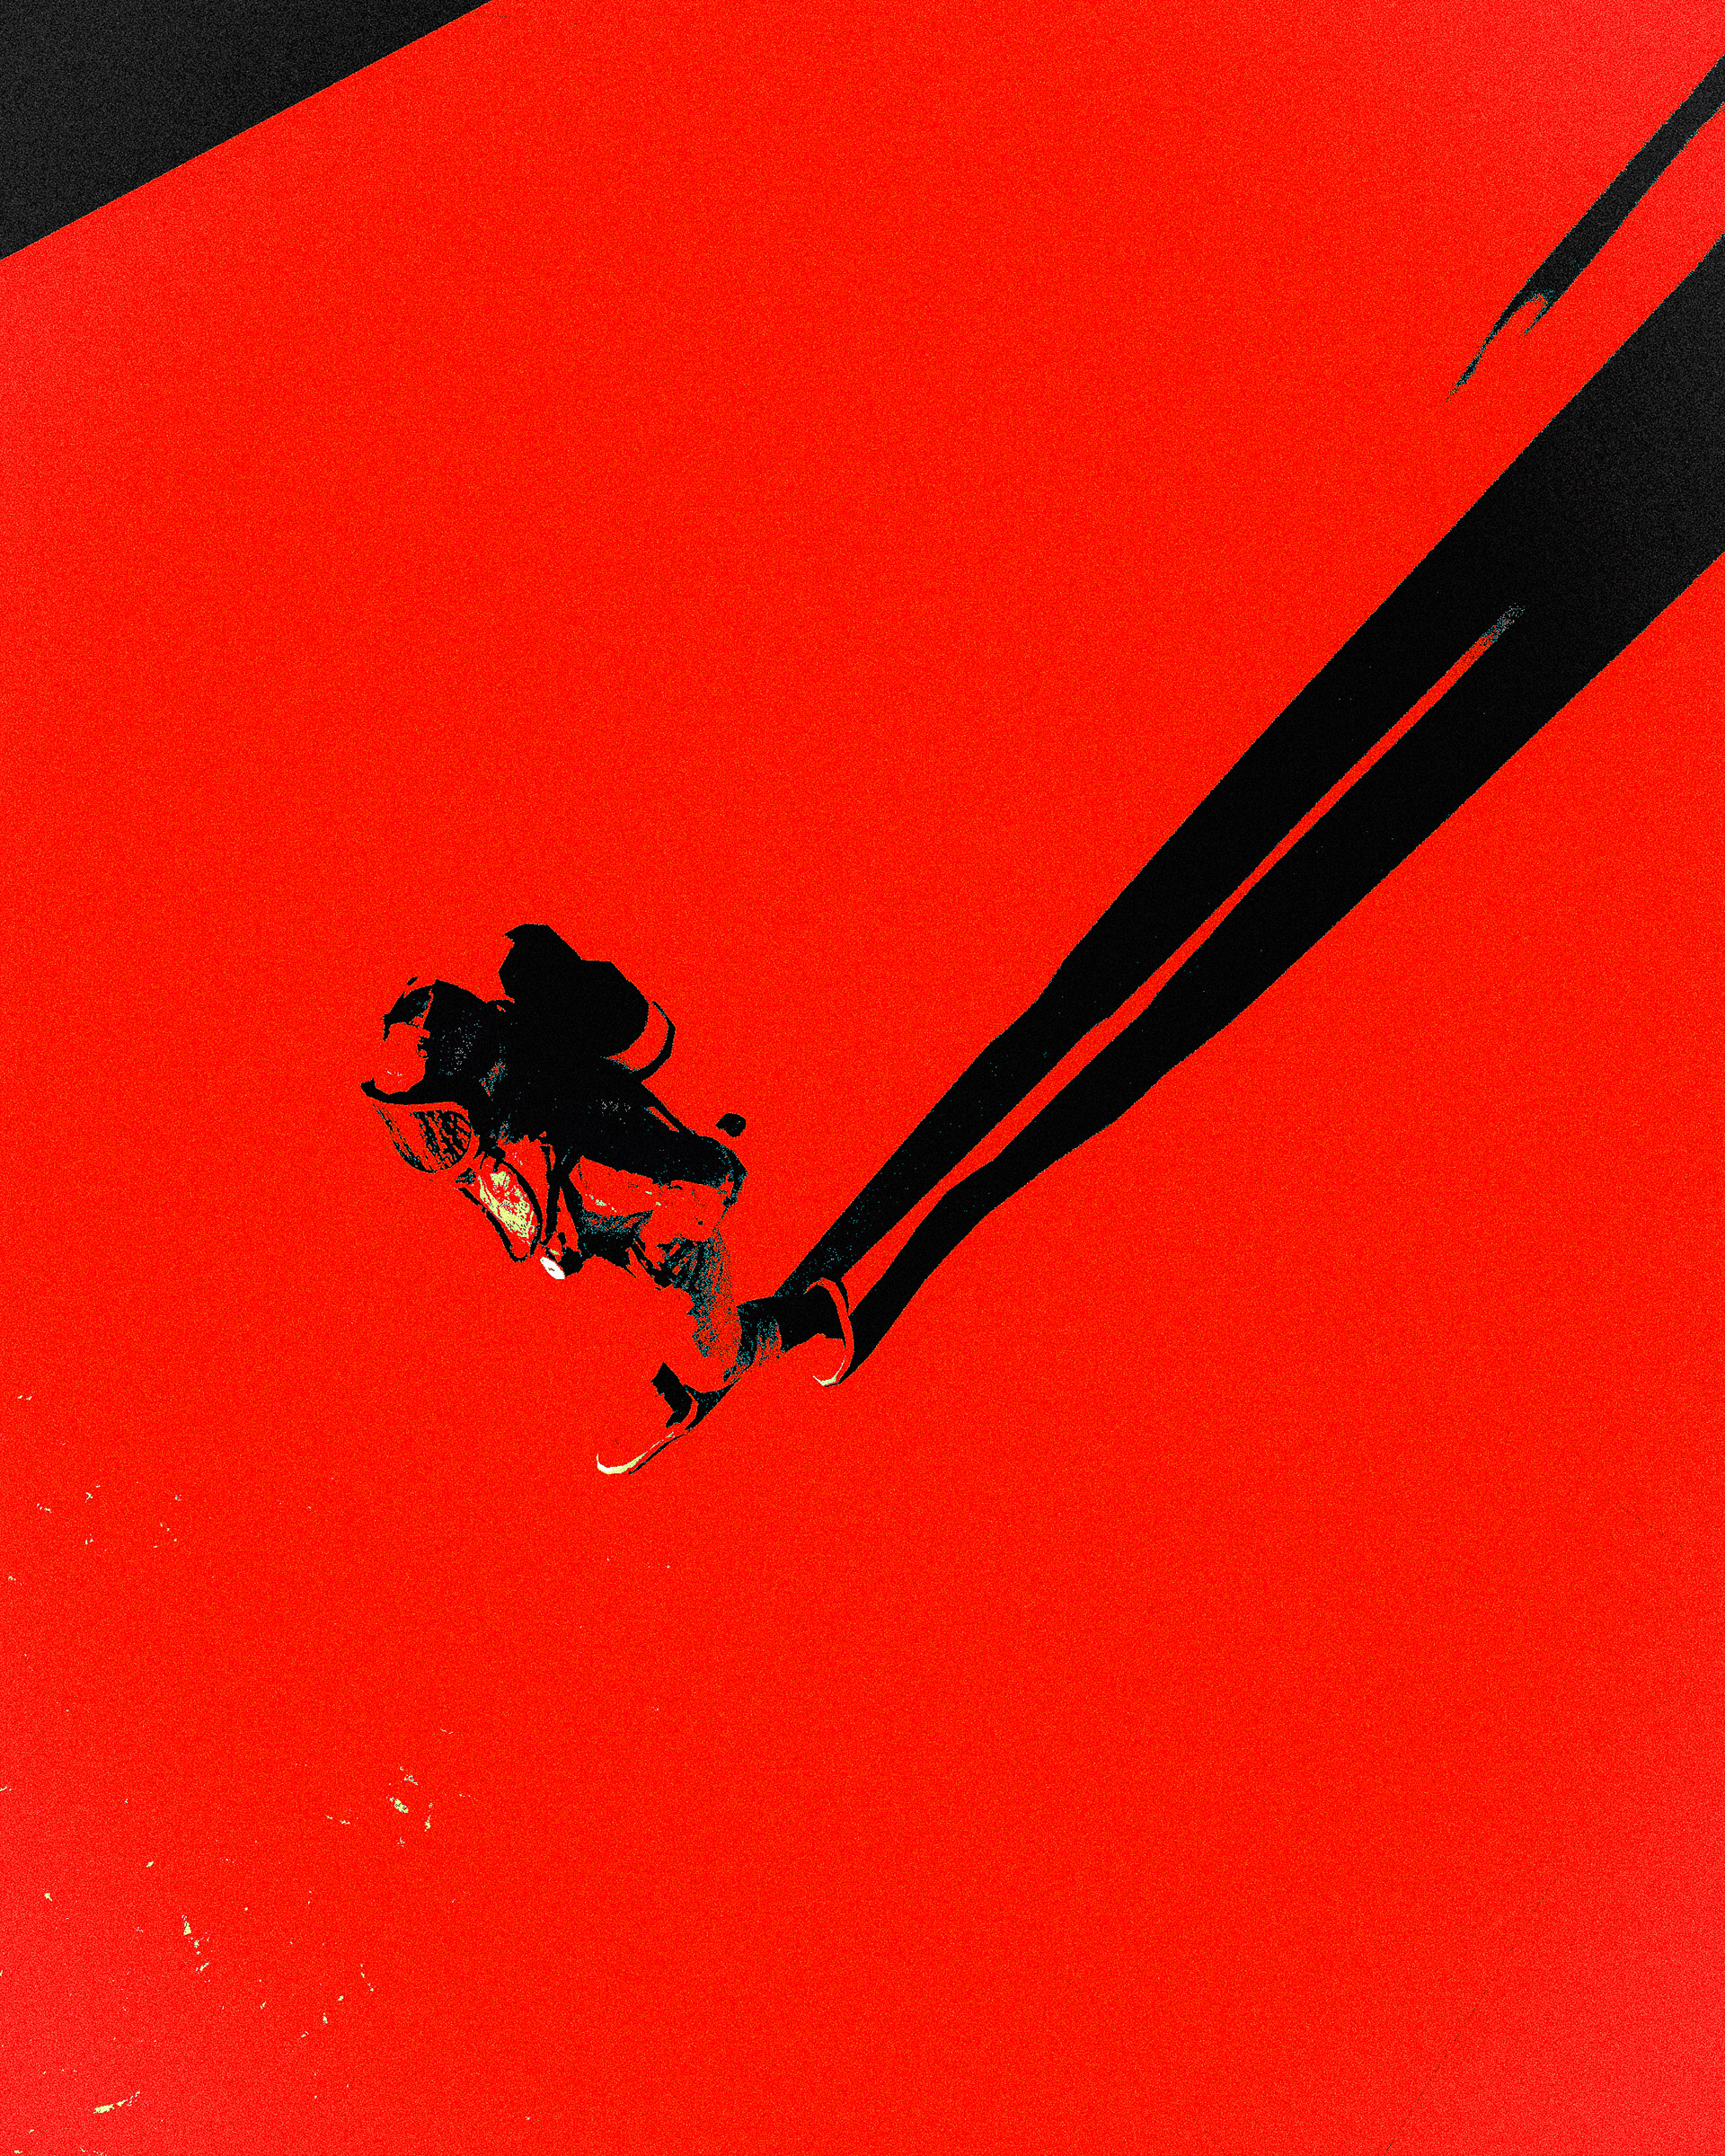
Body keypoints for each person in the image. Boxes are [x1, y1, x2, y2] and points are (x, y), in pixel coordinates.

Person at [361, 924, 852, 1437]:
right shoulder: (502, 1133)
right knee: (604, 1332)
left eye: (437, 1119)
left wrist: (662, 1243)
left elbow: (715, 1181)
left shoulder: (590, 1142)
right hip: (599, 1237)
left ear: (489, 1081)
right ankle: (667, 1391)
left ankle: (811, 1315)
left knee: (712, 1363)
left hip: (663, 1245)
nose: (432, 1140)